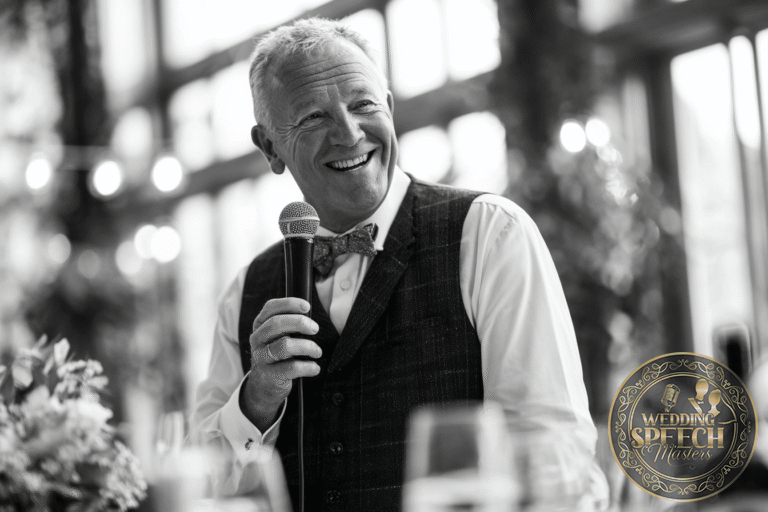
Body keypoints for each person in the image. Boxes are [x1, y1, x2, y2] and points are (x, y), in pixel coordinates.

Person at [190, 17, 608, 511]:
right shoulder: (245, 291)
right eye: (313, 118)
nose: (348, 134)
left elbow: (553, 457)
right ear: (270, 148)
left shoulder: (490, 234)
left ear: (389, 109)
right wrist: (256, 399)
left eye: (363, 104)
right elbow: (202, 483)